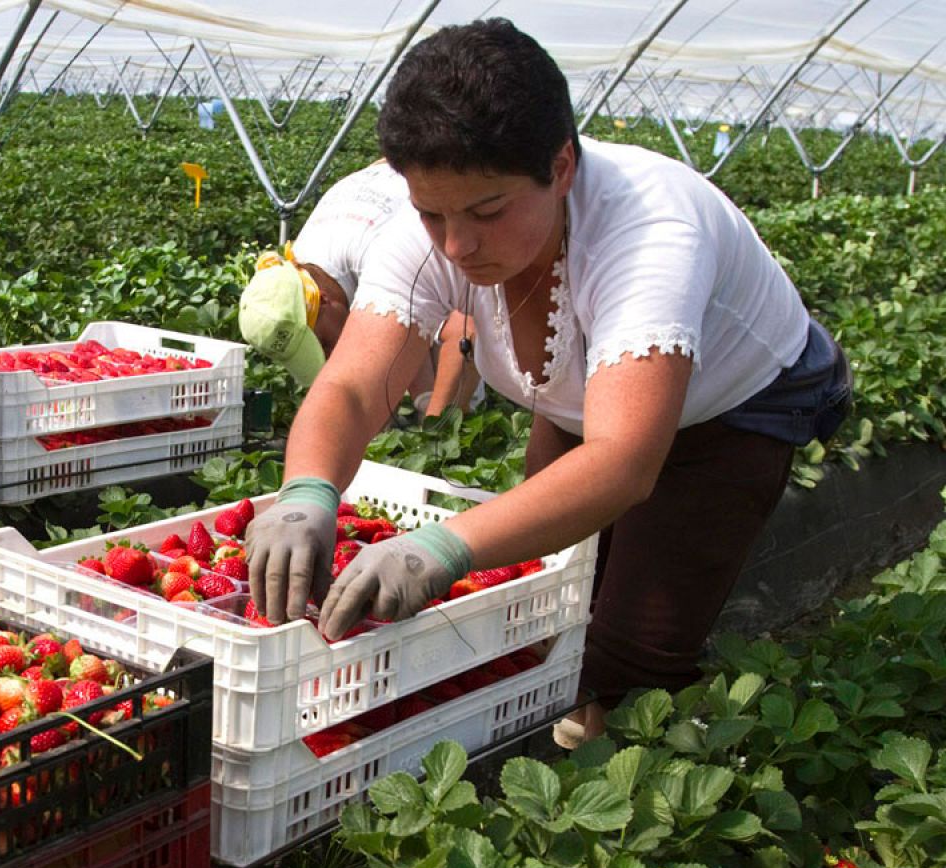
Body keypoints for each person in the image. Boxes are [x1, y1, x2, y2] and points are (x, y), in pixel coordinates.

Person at [245, 18, 851, 745]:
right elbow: (349, 388)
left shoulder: (649, 233)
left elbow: (623, 462)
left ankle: (619, 762)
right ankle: (550, 726)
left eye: (487, 212)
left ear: (562, 166)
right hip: (580, 395)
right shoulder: (432, 235)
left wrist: (439, 548)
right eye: (431, 213)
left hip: (734, 408)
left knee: (635, 641)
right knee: (555, 583)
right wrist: (307, 491)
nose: (456, 244)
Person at [237, 161, 483, 418]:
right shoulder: (300, 264)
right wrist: (418, 396)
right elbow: (403, 316)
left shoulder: (387, 254)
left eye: (325, 342)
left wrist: (439, 426)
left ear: (324, 300)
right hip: (391, 191)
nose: (327, 355)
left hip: (457, 193)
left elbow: (466, 326)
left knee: (459, 388)